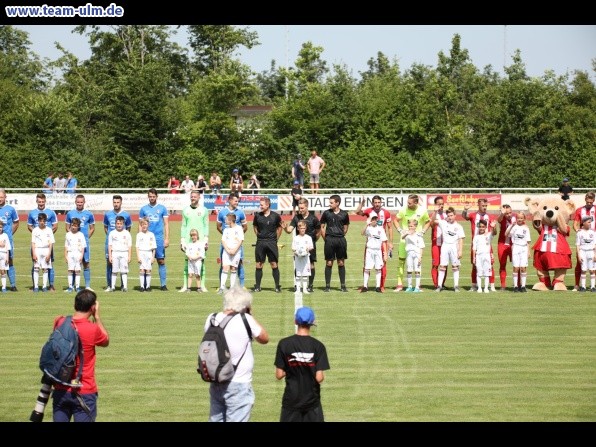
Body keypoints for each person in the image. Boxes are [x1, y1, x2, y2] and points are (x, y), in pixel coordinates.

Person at [203, 286, 269, 422]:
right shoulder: (245, 320)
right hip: (239, 382)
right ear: (244, 305)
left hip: (216, 379)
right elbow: (264, 338)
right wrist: (250, 315)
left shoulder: (212, 318)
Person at [51, 289, 109, 422]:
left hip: (60, 387)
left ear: (74, 304)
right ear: (93, 307)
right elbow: (105, 340)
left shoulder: (59, 322)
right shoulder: (92, 329)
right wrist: (97, 317)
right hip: (84, 388)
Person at [274, 306, 330, 422]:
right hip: (311, 401)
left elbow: (279, 374)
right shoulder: (318, 346)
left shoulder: (284, 344)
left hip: (291, 400)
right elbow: (319, 378)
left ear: (295, 321)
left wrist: (292, 366)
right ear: (312, 322)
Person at [355, 195, 394, 292]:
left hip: (381, 241)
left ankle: (381, 286)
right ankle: (365, 285)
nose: (377, 204)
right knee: (367, 264)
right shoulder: (369, 211)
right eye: (375, 202)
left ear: (381, 203)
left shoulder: (386, 213)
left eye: (378, 202)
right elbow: (357, 212)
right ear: (373, 203)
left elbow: (389, 227)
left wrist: (390, 242)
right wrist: (362, 203)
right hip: (370, 241)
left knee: (382, 265)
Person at [392, 194, 430, 292]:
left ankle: (417, 285)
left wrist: (423, 231)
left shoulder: (422, 211)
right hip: (404, 241)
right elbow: (395, 220)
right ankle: (400, 284)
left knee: (417, 262)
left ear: (416, 203)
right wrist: (400, 230)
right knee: (401, 261)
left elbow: (428, 221)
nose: (408, 204)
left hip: (417, 243)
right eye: (407, 202)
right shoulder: (403, 210)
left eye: (410, 203)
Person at [282, 198, 322, 293]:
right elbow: (289, 230)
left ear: (307, 207)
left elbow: (318, 231)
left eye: (302, 208)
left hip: (309, 246)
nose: (300, 210)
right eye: (299, 208)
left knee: (311, 265)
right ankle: (297, 285)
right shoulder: (296, 217)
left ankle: (310, 285)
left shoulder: (313, 218)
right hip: (299, 247)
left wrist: (313, 241)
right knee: (298, 266)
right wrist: (285, 228)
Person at [462, 198, 497, 292]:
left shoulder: (490, 216)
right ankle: (474, 285)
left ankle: (492, 285)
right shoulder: (473, 215)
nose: (485, 207)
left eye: (486, 206)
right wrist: (465, 210)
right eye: (483, 206)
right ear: (479, 205)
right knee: (474, 265)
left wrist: (494, 227)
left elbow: (494, 232)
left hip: (487, 245)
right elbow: (464, 217)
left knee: (490, 265)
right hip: (476, 244)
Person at [139, 188, 170, 291]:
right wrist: (140, 237)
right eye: (150, 196)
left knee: (161, 261)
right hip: (146, 239)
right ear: (148, 197)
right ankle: (144, 285)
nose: (152, 198)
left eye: (153, 196)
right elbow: (140, 225)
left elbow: (166, 224)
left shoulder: (162, 208)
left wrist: (166, 238)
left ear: (157, 197)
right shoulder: (143, 209)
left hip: (159, 238)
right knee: (145, 262)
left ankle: (163, 285)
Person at [180, 190, 209, 293]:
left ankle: (202, 285)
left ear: (199, 197)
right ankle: (185, 286)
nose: (193, 198)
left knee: (201, 263)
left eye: (195, 196)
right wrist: (182, 239)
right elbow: (183, 225)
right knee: (187, 263)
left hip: (200, 241)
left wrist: (206, 238)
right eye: (191, 196)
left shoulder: (204, 210)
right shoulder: (185, 210)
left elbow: (206, 225)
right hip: (189, 241)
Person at [251, 197, 283, 292]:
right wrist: (259, 236)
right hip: (260, 242)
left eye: (262, 204)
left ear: (267, 205)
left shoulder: (276, 216)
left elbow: (280, 228)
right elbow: (255, 226)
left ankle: (277, 286)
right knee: (259, 264)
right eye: (260, 204)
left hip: (272, 242)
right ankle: (257, 286)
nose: (260, 206)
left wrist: (275, 239)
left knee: (274, 264)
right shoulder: (257, 216)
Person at [28, 193, 58, 291]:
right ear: (36, 201)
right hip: (36, 245)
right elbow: (29, 225)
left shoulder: (51, 212)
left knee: (49, 264)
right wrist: (37, 234)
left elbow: (55, 225)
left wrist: (46, 235)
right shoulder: (32, 213)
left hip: (47, 245)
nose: (41, 203)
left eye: (42, 201)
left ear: (45, 201)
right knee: (35, 264)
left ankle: (51, 284)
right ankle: (35, 285)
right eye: (39, 201)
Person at [217, 193, 248, 288]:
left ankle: (241, 285)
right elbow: (218, 226)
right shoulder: (222, 212)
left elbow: (245, 227)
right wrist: (226, 236)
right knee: (223, 264)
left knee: (239, 263)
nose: (237, 202)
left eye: (238, 201)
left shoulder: (240, 212)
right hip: (225, 243)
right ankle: (222, 286)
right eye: (235, 201)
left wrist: (237, 237)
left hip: (237, 245)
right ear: (229, 200)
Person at [320, 194, 350, 292]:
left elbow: (346, 227)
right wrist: (326, 238)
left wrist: (340, 234)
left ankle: (343, 285)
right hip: (329, 240)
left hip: (340, 240)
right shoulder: (326, 213)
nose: (330, 204)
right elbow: (322, 227)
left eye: (331, 202)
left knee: (341, 262)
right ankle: (327, 286)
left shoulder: (344, 214)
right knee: (329, 262)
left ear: (337, 203)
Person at [65, 194, 96, 290]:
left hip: (83, 244)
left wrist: (86, 237)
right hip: (73, 245)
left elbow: (92, 228)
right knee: (73, 264)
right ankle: (72, 286)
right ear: (75, 202)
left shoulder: (89, 214)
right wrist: (72, 237)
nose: (79, 204)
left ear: (84, 202)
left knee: (86, 263)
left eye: (81, 202)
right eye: (78, 202)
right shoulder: (70, 213)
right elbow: (67, 227)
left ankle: (87, 286)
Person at [103, 195, 132, 291]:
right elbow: (106, 228)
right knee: (109, 263)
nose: (116, 204)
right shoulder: (108, 214)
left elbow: (128, 228)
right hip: (111, 243)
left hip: (122, 245)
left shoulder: (126, 215)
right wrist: (112, 237)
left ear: (121, 203)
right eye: (114, 202)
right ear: (112, 203)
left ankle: (123, 285)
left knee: (122, 265)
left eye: (118, 202)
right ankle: (109, 285)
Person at [435, 207, 465, 292]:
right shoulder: (443, 223)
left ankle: (456, 286)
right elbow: (433, 220)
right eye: (448, 215)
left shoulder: (458, 226)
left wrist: (460, 250)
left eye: (451, 215)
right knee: (442, 266)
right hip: (445, 246)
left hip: (454, 247)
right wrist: (435, 212)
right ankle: (439, 286)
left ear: (455, 215)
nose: (450, 217)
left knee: (455, 266)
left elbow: (461, 239)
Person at [572, 191, 595, 291]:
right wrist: (578, 231)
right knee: (579, 262)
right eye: (588, 202)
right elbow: (575, 223)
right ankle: (577, 285)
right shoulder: (579, 210)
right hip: (583, 240)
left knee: (594, 263)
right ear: (585, 199)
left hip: (594, 239)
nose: (589, 204)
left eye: (591, 202)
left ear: (593, 200)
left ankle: (593, 285)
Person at [504, 212, 532, 292]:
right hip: (516, 247)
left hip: (524, 248)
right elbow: (506, 234)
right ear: (516, 218)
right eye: (518, 218)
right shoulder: (514, 227)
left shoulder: (526, 228)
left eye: (521, 218)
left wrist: (528, 251)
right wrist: (511, 226)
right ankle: (515, 286)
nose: (520, 219)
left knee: (523, 268)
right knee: (516, 268)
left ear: (524, 219)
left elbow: (528, 241)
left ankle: (523, 286)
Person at [361, 214, 388, 293]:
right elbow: (362, 233)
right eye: (372, 219)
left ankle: (377, 287)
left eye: (375, 219)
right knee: (367, 268)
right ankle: (365, 286)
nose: (374, 221)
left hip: (378, 251)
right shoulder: (368, 228)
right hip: (369, 250)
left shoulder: (381, 229)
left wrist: (385, 253)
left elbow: (383, 241)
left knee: (378, 268)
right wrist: (366, 224)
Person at [106, 216, 132, 292]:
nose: (119, 225)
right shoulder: (112, 233)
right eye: (117, 223)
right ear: (115, 224)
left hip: (124, 253)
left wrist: (129, 256)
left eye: (121, 223)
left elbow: (129, 245)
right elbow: (110, 245)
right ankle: (112, 287)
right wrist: (110, 256)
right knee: (114, 271)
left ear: (123, 224)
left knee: (124, 271)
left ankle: (125, 287)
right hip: (115, 253)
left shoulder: (127, 233)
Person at [0, 188, 20, 291]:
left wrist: (9, 234)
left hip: (6, 241)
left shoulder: (11, 209)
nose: (0, 199)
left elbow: (16, 222)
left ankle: (13, 285)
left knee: (9, 261)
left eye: (1, 197)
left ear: (5, 197)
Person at [399, 219, 425, 293]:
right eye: (409, 226)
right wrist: (407, 233)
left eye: (412, 226)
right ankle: (409, 286)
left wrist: (420, 256)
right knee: (409, 270)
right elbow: (402, 237)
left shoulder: (419, 235)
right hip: (409, 253)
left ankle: (417, 287)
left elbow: (421, 246)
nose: (410, 227)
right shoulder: (406, 233)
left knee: (417, 270)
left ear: (415, 226)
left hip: (417, 254)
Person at [220, 213, 244, 292]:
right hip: (227, 251)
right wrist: (227, 250)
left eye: (226, 219)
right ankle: (222, 287)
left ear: (230, 220)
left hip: (236, 252)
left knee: (233, 268)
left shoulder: (239, 228)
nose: (225, 221)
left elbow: (241, 240)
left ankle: (232, 288)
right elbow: (223, 240)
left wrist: (234, 250)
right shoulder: (226, 229)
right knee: (225, 267)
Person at [31, 213, 55, 292]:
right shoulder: (35, 230)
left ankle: (44, 286)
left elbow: (51, 243)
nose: (42, 222)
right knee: (36, 268)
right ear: (38, 221)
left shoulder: (49, 230)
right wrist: (34, 253)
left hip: (46, 250)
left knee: (45, 269)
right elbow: (33, 243)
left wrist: (49, 254)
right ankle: (36, 286)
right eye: (40, 220)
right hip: (37, 249)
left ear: (45, 221)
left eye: (43, 221)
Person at [472, 219, 496, 294]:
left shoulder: (489, 235)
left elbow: (495, 233)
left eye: (483, 227)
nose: (481, 228)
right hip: (478, 256)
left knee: (487, 273)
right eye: (480, 227)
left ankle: (486, 288)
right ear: (478, 227)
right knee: (479, 273)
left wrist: (493, 227)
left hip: (487, 256)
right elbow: (474, 248)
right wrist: (474, 257)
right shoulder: (476, 237)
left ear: (486, 227)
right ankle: (479, 288)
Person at [496, 204, 517, 291]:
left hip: (514, 244)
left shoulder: (516, 217)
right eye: (507, 213)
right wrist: (502, 213)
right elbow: (499, 219)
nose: (509, 215)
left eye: (510, 212)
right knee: (502, 264)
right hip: (503, 244)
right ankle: (503, 285)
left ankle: (518, 284)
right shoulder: (502, 218)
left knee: (517, 265)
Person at [429, 196, 448, 289]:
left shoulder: (446, 215)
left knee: (444, 264)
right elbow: (431, 225)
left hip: (446, 244)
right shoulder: (433, 215)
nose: (441, 205)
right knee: (435, 264)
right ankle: (436, 284)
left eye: (442, 204)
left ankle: (442, 283)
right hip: (436, 243)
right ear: (435, 205)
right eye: (439, 204)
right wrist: (435, 212)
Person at [64, 217, 86, 292]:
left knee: (77, 271)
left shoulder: (81, 235)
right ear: (70, 225)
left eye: (76, 226)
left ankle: (77, 287)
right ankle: (70, 287)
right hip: (70, 254)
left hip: (78, 254)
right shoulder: (68, 234)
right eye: (73, 225)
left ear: (78, 226)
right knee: (70, 270)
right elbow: (66, 246)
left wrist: (81, 256)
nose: (74, 227)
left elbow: (83, 247)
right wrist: (65, 256)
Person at [291, 220, 314, 294]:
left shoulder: (308, 238)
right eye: (301, 228)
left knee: (305, 274)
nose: (302, 230)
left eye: (304, 228)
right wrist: (296, 252)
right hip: (298, 258)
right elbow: (293, 248)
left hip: (306, 259)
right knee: (298, 273)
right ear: (298, 229)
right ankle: (298, 289)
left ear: (306, 228)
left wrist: (307, 249)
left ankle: (304, 289)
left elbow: (311, 247)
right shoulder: (296, 238)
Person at [575, 216, 596, 292]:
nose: (590, 224)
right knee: (583, 270)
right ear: (583, 223)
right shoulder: (579, 233)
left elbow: (595, 244)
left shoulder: (593, 232)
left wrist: (595, 254)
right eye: (588, 222)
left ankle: (593, 287)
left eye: (590, 222)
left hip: (591, 252)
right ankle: (583, 287)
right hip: (583, 252)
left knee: (592, 270)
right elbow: (577, 245)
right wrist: (578, 255)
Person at [135, 217, 156, 292]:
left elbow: (154, 248)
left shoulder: (151, 234)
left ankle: (148, 286)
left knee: (148, 270)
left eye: (146, 224)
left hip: (149, 253)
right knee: (142, 270)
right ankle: (142, 286)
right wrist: (138, 257)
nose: (144, 226)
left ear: (148, 225)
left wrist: (153, 257)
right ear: (141, 225)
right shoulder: (139, 235)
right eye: (143, 224)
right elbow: (137, 247)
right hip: (141, 253)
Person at [0, 222, 12, 292]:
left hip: (4, 255)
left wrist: (7, 257)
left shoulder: (5, 235)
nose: (0, 229)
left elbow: (7, 247)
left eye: (1, 227)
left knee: (3, 271)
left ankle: (3, 287)